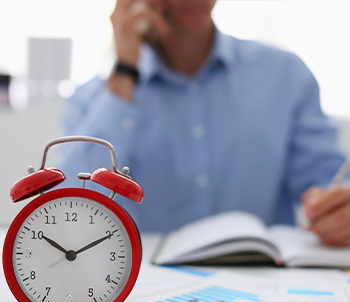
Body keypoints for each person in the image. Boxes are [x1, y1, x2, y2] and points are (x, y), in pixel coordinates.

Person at [56, 0, 350, 246]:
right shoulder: (98, 98)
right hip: (148, 288)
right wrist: (125, 70)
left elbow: (327, 176)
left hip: (265, 281)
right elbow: (71, 205)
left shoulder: (285, 74)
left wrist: (338, 208)